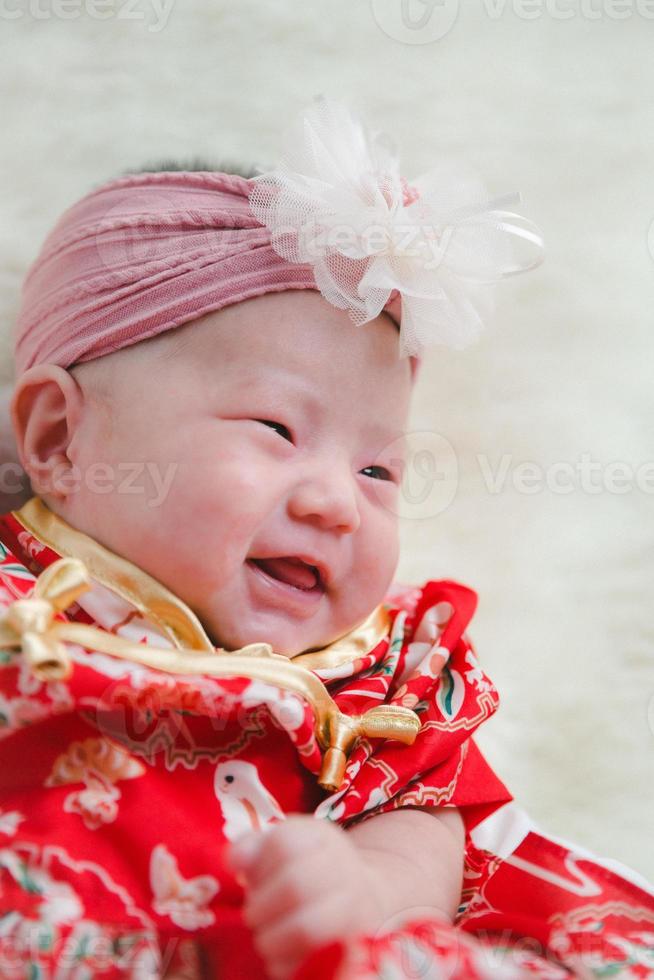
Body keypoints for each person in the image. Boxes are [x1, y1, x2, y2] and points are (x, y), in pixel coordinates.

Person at [0, 97, 651, 980]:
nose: (339, 505)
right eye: (276, 428)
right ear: (57, 441)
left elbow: (432, 823)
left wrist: (366, 889)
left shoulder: (374, 673)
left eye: (380, 471)